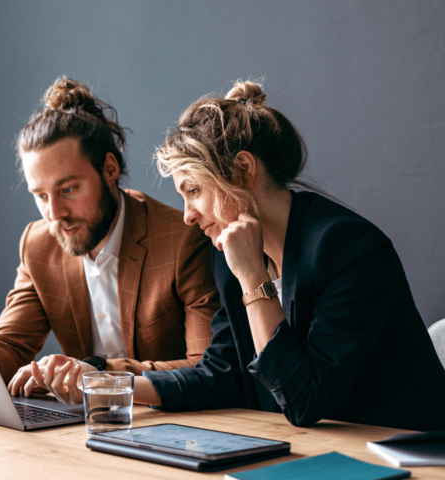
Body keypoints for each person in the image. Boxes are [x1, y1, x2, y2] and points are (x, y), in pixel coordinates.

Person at [36, 80, 445, 432]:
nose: (189, 216)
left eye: (194, 191)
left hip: (402, 454)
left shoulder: (348, 248)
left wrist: (253, 280)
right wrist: (105, 383)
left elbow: (307, 400)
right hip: (310, 451)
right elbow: (221, 373)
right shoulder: (229, 254)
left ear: (243, 170)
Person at [0, 77, 219, 397]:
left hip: (170, 423)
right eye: (41, 196)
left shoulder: (183, 240)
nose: (54, 213)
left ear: (109, 169)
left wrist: (97, 372)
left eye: (68, 189)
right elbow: (10, 343)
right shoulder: (38, 244)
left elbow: (206, 366)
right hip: (82, 427)